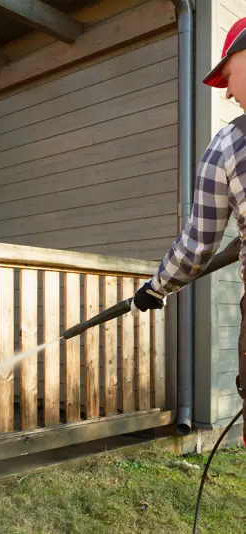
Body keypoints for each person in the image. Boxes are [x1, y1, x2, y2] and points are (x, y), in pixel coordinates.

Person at [133, 18, 246, 443]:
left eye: (228, 76)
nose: (228, 93)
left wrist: (156, 288)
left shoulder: (229, 145)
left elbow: (197, 246)